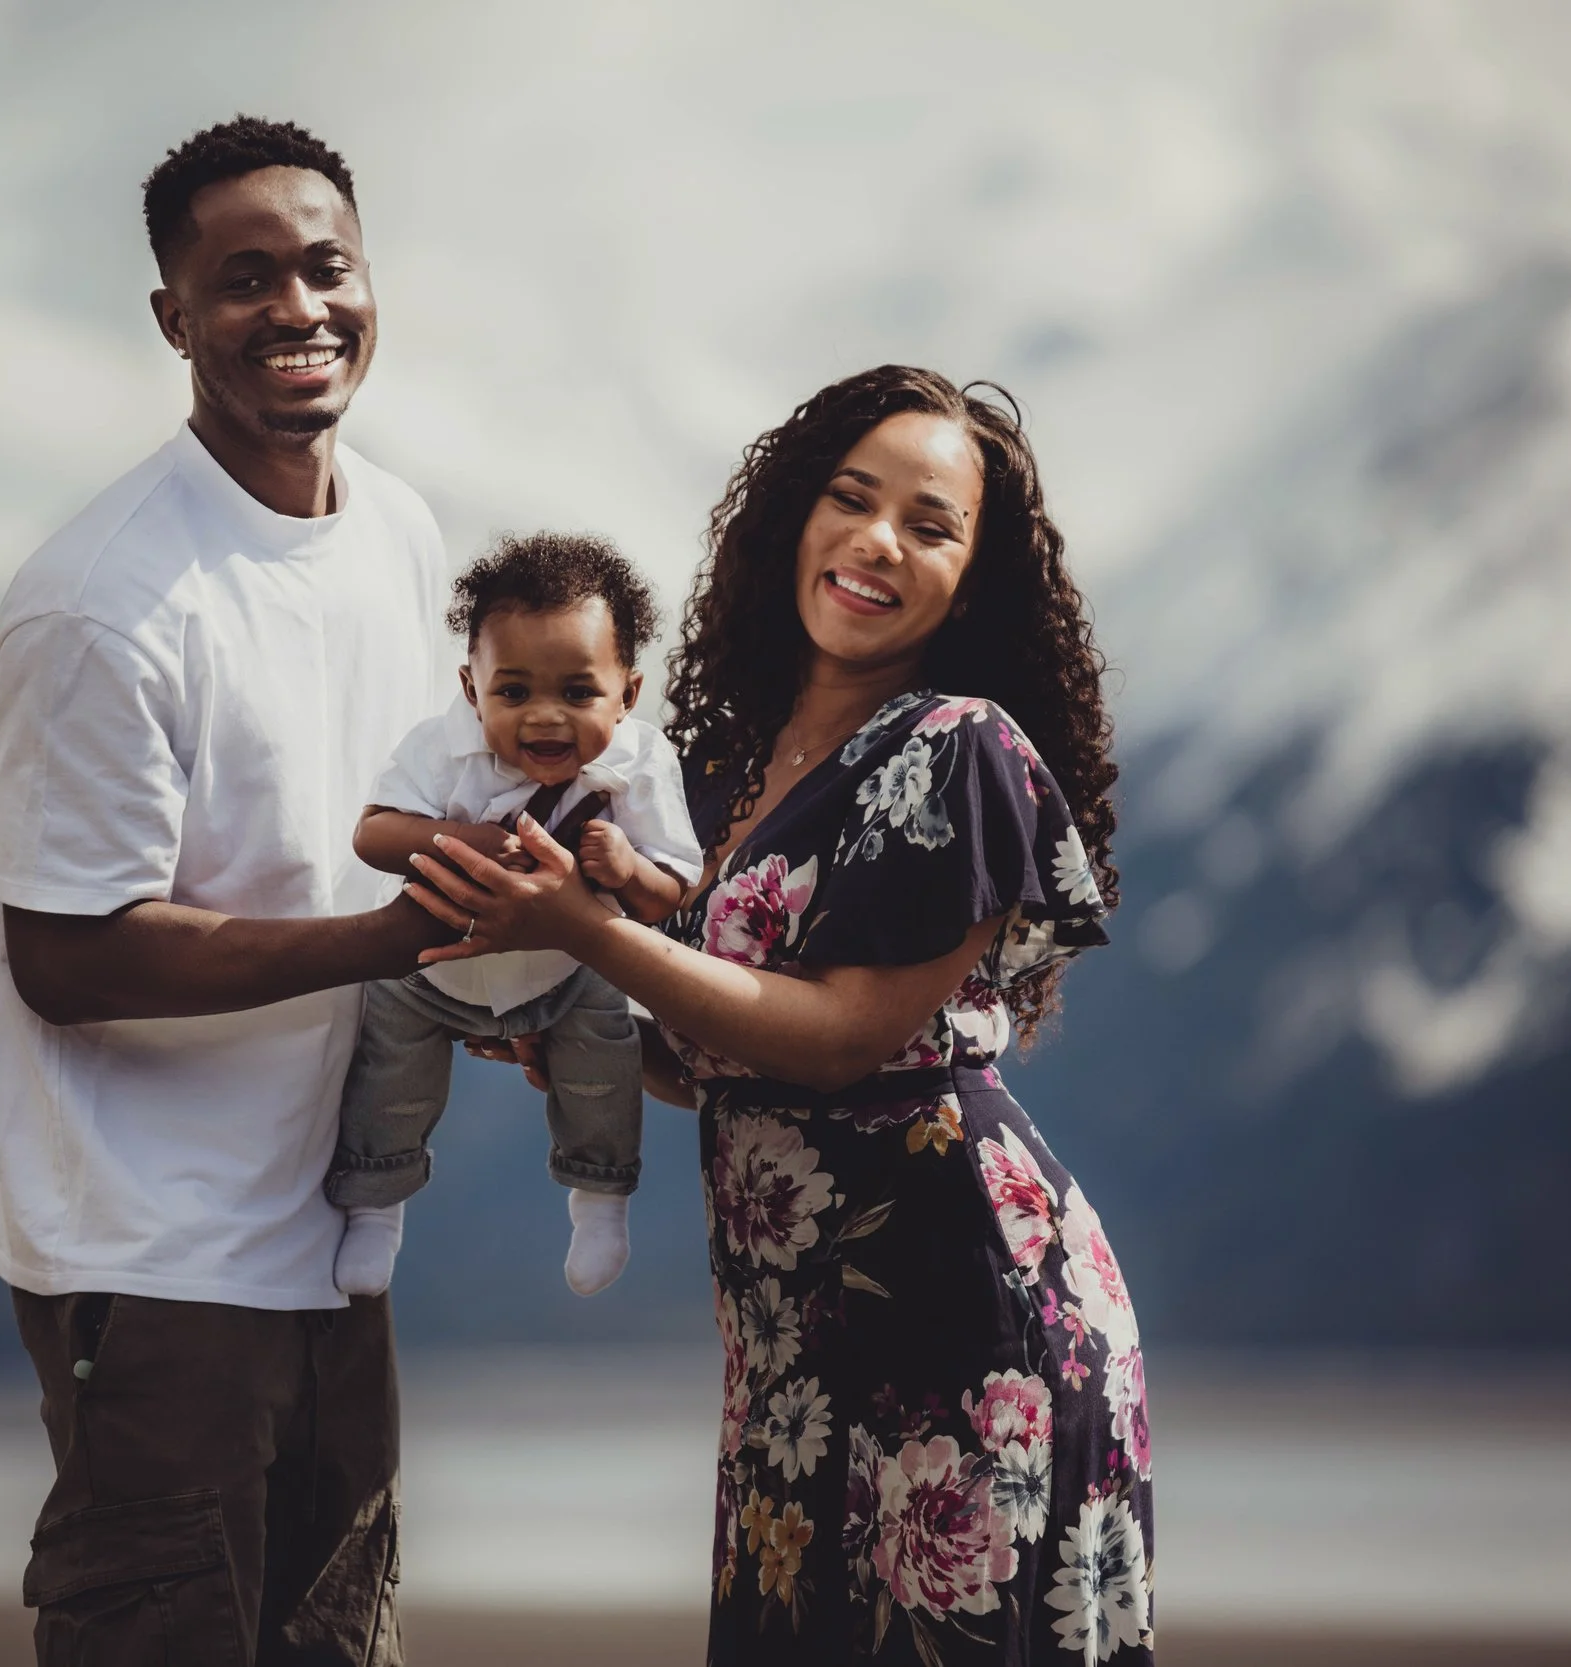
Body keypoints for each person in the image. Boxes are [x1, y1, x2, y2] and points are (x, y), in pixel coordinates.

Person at [414, 367, 1151, 1664]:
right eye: (851, 498)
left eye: (930, 524)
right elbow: (737, 1054)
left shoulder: (960, 748)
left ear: (970, 579)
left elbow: (845, 1036)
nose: (877, 540)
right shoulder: (722, 760)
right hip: (790, 1343)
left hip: (964, 1309)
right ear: (790, 519)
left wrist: (593, 932)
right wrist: (580, 1031)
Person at [0, 116, 444, 1666]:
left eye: (327, 266)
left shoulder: (401, 532)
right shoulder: (100, 599)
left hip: (333, 1243)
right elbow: (66, 952)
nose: (298, 307)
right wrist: (381, 940)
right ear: (173, 315)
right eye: (244, 279)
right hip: (158, 1261)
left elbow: (395, 821)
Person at [327, 532, 703, 1299]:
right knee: (388, 1072)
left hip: (567, 972)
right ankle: (377, 1205)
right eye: (514, 692)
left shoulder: (641, 763)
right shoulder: (441, 749)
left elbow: (673, 889)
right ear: (471, 688)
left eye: (577, 692)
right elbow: (373, 832)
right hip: (436, 968)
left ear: (628, 694)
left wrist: (627, 868)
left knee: (605, 1062)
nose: (545, 717)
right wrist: (468, 840)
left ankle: (600, 1201)